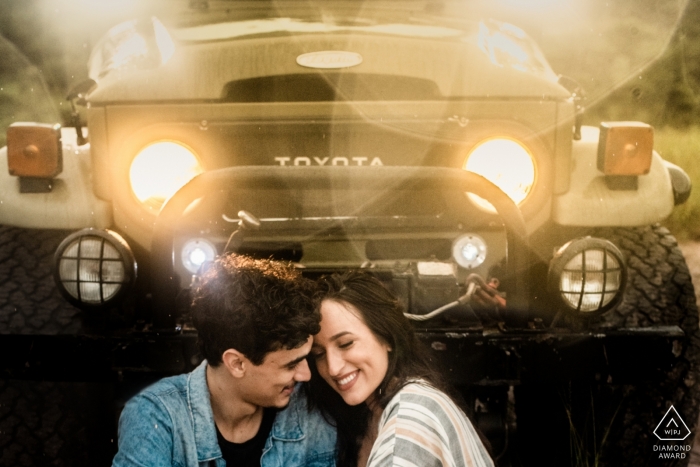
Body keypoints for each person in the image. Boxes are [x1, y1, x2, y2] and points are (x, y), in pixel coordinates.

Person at [112, 254, 337, 467]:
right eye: (291, 364)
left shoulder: (308, 410)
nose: (305, 375)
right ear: (237, 363)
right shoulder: (156, 416)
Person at [307, 271, 493, 467]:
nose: (333, 368)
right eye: (318, 354)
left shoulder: (410, 419)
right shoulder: (379, 410)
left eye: (346, 344)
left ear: (387, 337)